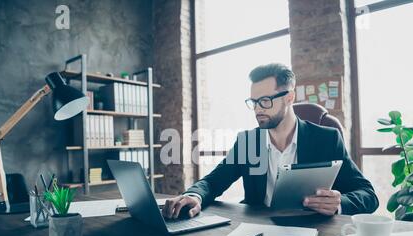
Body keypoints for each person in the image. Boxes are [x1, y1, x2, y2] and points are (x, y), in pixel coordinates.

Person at [162, 63, 379, 219]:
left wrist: (340, 203)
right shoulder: (248, 142)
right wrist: (193, 195)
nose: (257, 109)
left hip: (315, 232)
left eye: (265, 101)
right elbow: (212, 182)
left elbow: (368, 194)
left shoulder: (327, 139)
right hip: (257, 230)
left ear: (289, 97)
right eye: (253, 102)